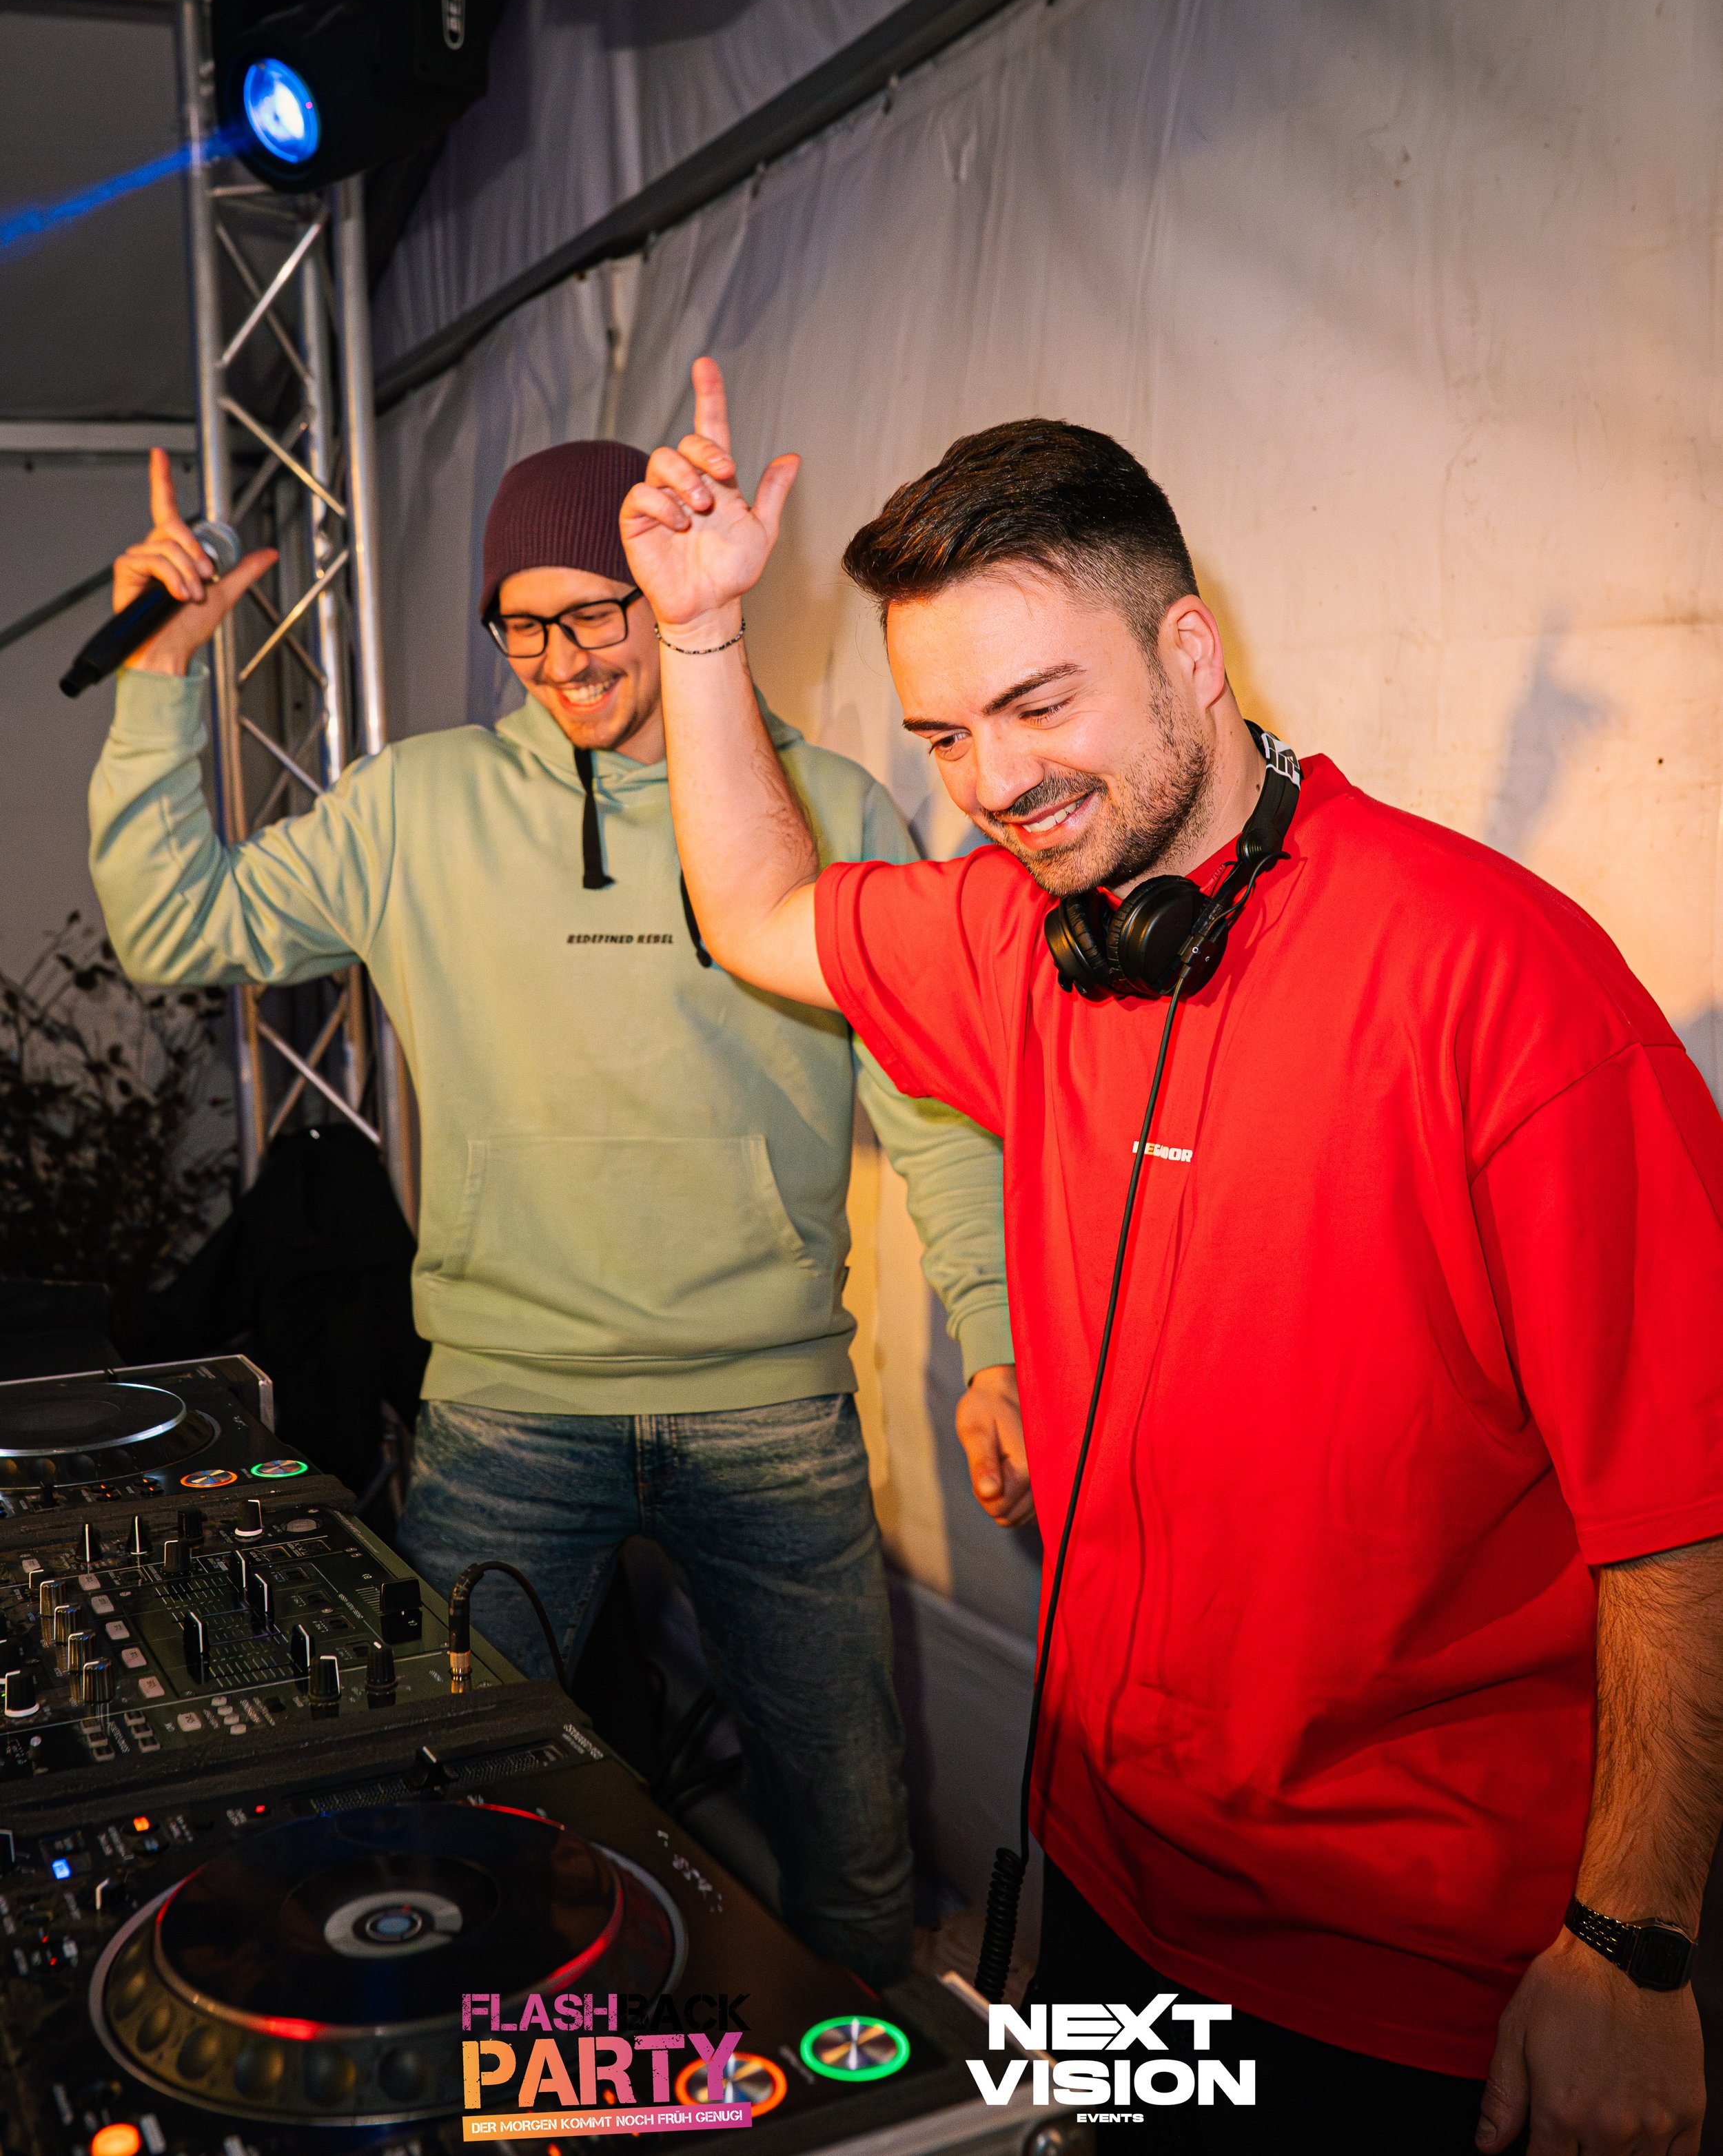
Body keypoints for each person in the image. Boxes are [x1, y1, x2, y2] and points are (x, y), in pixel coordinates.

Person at [619, 357, 1723, 2153]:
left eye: (1036, 703)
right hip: (1107, 1903)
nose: (993, 780)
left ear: (1192, 652)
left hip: (1405, 1972)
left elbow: (1682, 1512)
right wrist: (697, 635)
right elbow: (752, 908)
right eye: (945, 738)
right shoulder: (1024, 938)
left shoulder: (1491, 980)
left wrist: (1631, 1942)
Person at [86, 440, 1027, 1989]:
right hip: (504, 1415)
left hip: (770, 1410)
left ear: (668, 588)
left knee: (849, 1843)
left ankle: (870, 2104)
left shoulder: (824, 805)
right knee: (439, 1829)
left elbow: (934, 1114)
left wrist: (997, 1341)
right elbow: (178, 921)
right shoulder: (415, 805)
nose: (564, 658)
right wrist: (159, 683)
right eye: (522, 624)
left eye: (597, 608)